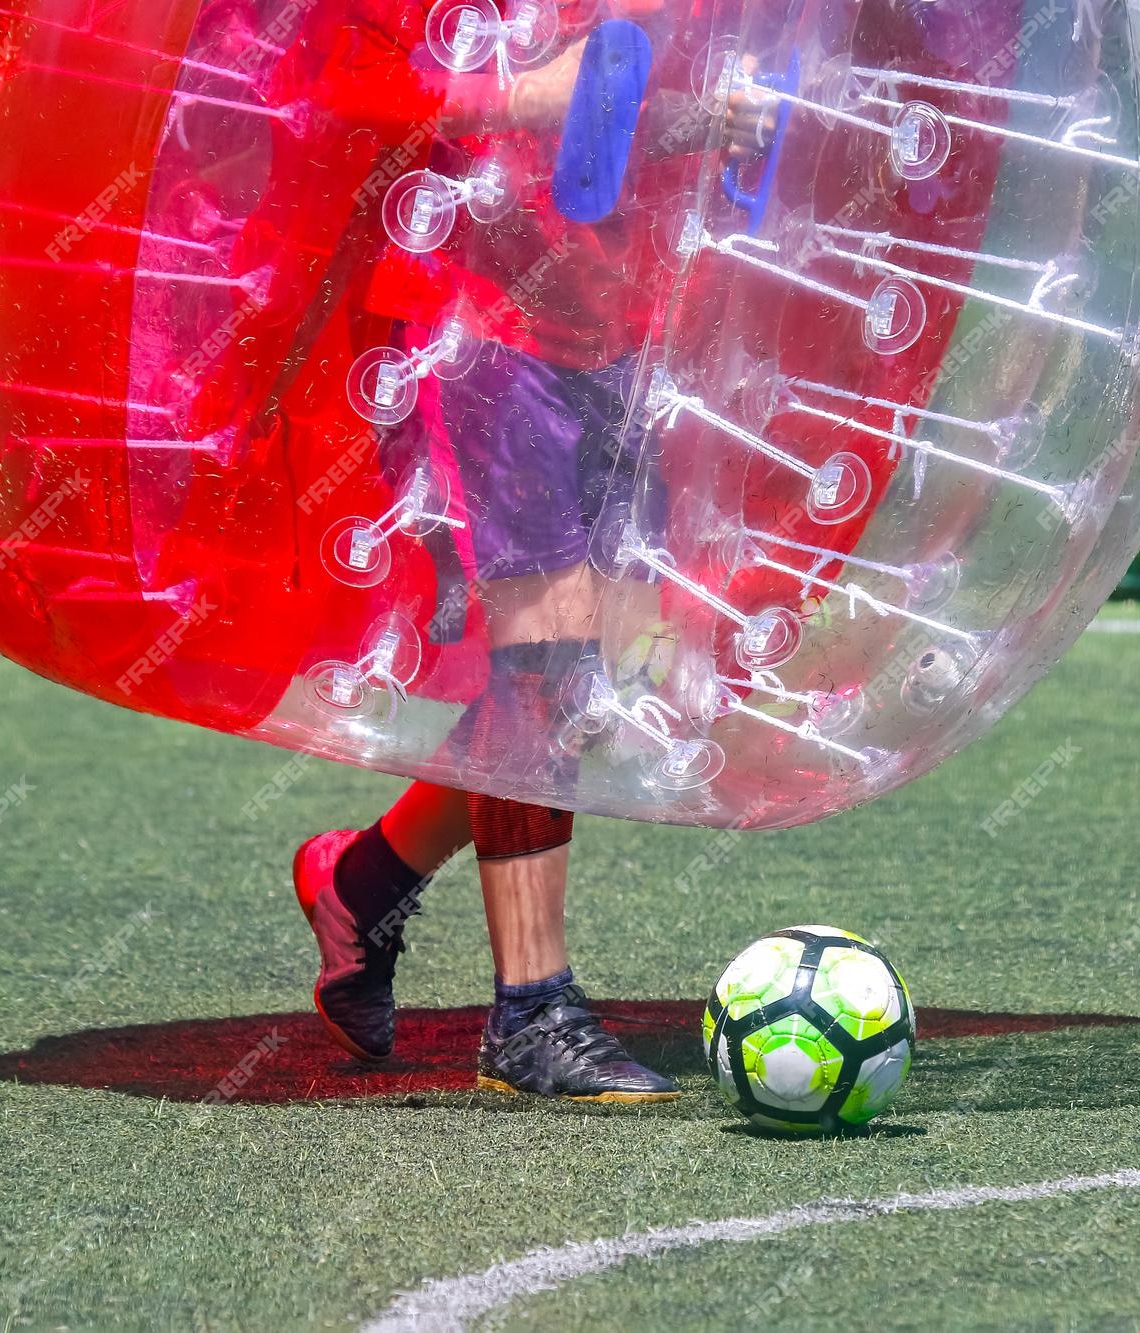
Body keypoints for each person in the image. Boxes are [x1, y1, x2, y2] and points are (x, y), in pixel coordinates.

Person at [277, 0, 777, 1101]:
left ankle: (360, 885)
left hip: (624, 325)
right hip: (484, 319)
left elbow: (615, 111)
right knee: (544, 664)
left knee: (562, 686)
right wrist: (511, 97)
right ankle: (529, 1013)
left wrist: (708, 121)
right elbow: (326, 87)